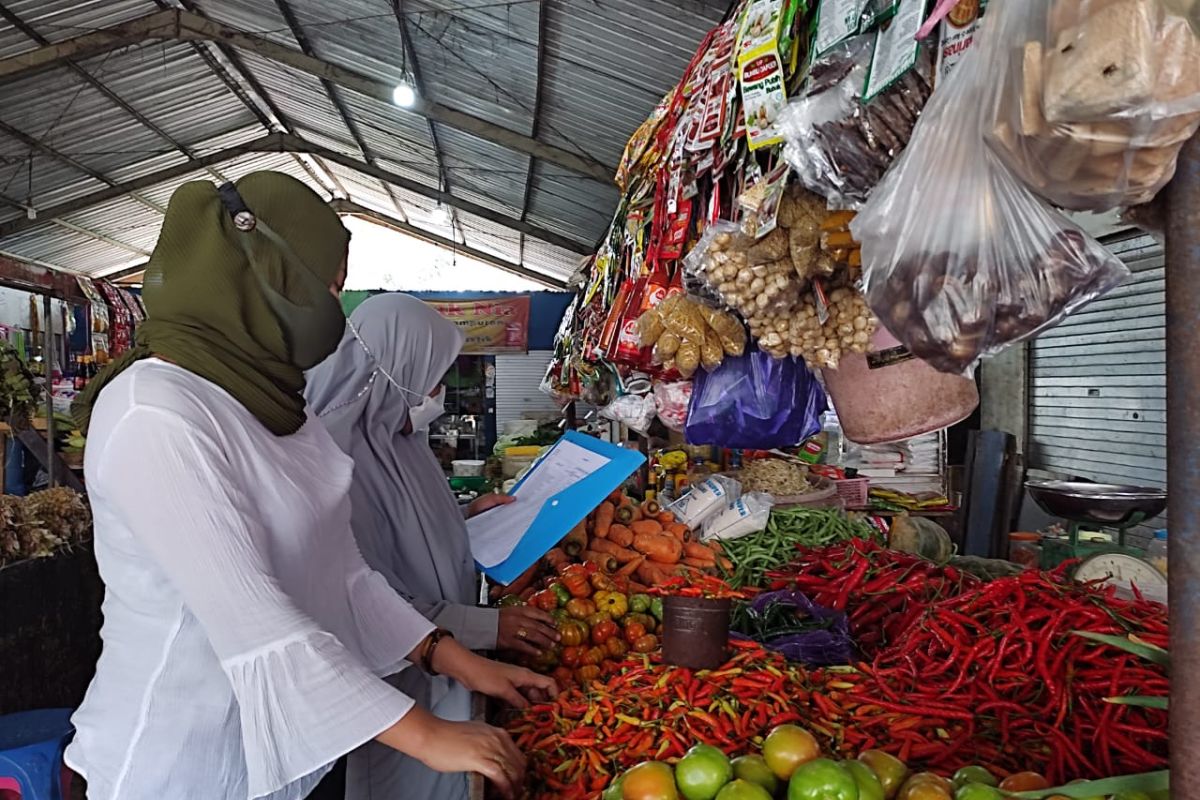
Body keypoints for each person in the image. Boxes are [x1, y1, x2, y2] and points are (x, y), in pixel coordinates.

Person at [65, 172, 555, 800]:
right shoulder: (155, 411)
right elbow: (255, 621)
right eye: (324, 284)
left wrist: (460, 661)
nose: (332, 304)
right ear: (266, 274)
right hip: (175, 767)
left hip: (286, 764)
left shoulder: (275, 405)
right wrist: (429, 734)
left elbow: (348, 582)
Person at [306, 293, 560, 800]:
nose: (437, 393)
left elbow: (411, 530)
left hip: (451, 657)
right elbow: (362, 598)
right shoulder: (329, 463)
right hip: (398, 682)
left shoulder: (400, 441)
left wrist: (467, 517)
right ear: (391, 373)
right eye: (431, 377)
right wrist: (487, 627)